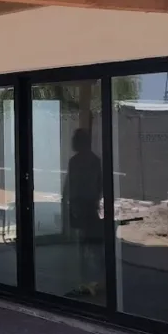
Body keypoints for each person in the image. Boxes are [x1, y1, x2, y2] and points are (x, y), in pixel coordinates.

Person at [63, 127, 104, 297]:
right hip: (88, 205)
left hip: (80, 205)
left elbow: (70, 184)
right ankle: (95, 279)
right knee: (91, 245)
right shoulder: (94, 160)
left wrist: (66, 201)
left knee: (84, 245)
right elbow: (99, 184)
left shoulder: (76, 161)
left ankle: (87, 281)